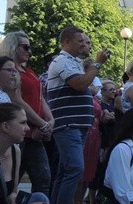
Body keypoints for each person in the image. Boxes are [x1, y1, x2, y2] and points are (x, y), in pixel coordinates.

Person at [47, 26, 109, 204]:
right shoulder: (61, 61)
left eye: (84, 41)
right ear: (66, 42)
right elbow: (80, 84)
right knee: (75, 168)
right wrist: (97, 64)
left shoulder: (74, 62)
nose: (84, 45)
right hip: (68, 125)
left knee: (65, 171)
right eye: (79, 41)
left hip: (78, 126)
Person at [0, 31, 54, 195]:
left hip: (34, 133)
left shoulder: (29, 71)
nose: (30, 51)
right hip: (18, 132)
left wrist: (50, 120)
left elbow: (40, 97)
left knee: (43, 179)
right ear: (13, 47)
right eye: (25, 47)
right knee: (9, 182)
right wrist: (42, 124)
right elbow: (17, 100)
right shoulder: (10, 71)